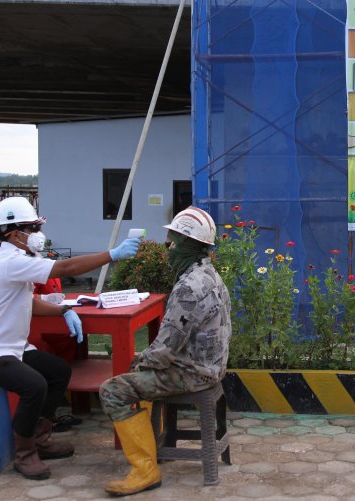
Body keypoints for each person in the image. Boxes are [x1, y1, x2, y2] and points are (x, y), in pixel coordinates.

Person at [0, 196, 141, 481]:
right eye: (31, 228)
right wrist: (111, 255)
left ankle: (41, 439)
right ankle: (24, 452)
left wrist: (63, 310)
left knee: (58, 371)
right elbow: (65, 269)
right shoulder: (9, 261)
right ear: (12, 232)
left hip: (11, 348)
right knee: (35, 385)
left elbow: (28, 302)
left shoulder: (19, 260)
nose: (36, 234)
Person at [98, 206, 232, 496]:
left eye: (171, 243)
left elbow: (163, 352)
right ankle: (152, 444)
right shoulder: (211, 276)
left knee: (113, 390)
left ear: (186, 244)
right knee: (140, 372)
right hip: (212, 367)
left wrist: (138, 359)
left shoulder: (188, 288)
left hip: (192, 374)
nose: (168, 250)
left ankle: (145, 469)